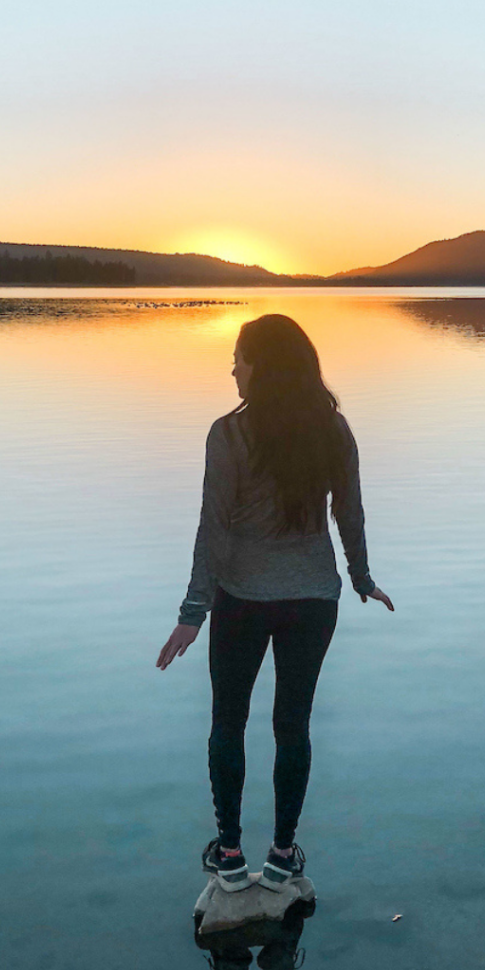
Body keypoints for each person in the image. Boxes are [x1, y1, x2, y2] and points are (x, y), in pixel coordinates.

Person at [156, 314, 393, 893]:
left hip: (242, 600)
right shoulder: (332, 430)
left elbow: (213, 527)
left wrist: (193, 612)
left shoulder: (228, 434)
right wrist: (360, 576)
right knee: (293, 724)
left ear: (263, 365)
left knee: (228, 722)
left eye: (240, 357)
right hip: (314, 601)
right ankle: (284, 854)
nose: (233, 368)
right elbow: (350, 513)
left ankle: (230, 856)